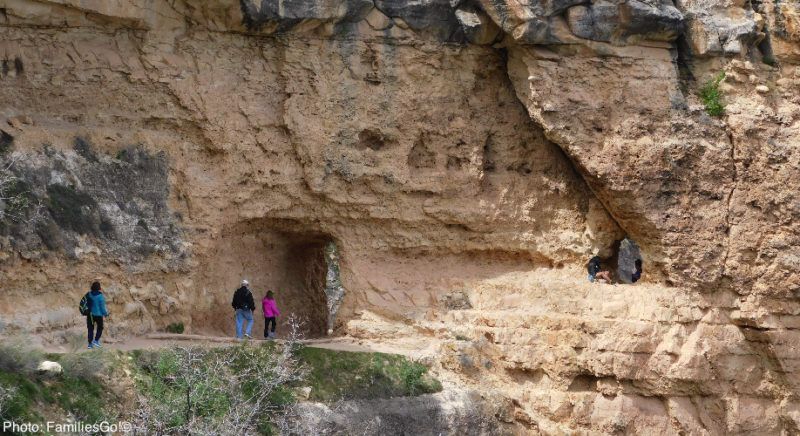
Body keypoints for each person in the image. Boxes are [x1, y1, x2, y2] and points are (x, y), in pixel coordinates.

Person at [86, 281, 108, 349]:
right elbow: (102, 307)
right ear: (99, 287)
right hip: (98, 315)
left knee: (90, 329)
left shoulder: (88, 294)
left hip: (90, 315)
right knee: (100, 328)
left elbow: (86, 303)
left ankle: (90, 344)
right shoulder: (100, 296)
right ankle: (96, 341)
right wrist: (105, 314)